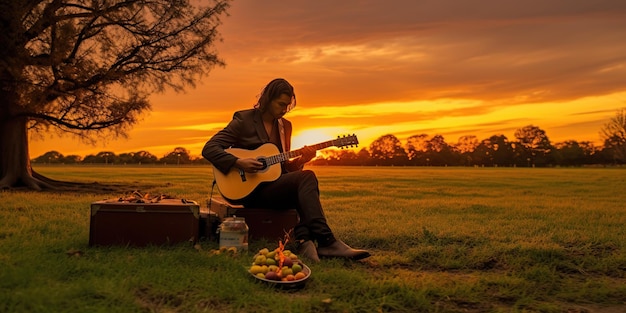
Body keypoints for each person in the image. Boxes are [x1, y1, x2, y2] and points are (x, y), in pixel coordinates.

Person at [202, 78, 370, 262]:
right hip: (247, 191)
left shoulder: (285, 126)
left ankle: (305, 239)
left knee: (304, 179)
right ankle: (326, 241)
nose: (284, 110)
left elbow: (282, 170)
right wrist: (238, 163)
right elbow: (210, 148)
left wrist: (303, 159)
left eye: (288, 106)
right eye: (281, 104)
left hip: (272, 189)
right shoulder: (244, 120)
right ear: (267, 99)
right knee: (307, 178)